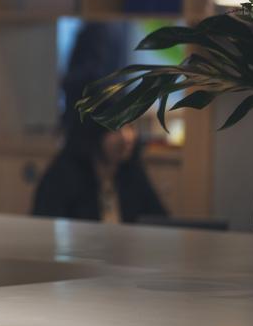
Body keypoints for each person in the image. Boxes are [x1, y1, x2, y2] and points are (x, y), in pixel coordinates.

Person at [32, 23, 167, 223]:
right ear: (94, 131)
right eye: (115, 128)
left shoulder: (132, 172)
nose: (126, 137)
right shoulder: (64, 175)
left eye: (129, 127)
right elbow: (44, 230)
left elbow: (162, 222)